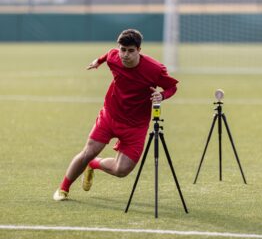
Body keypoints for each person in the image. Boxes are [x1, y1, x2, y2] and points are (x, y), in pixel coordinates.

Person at [53, 29, 178, 201]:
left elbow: (172, 87)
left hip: (136, 125)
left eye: (130, 51)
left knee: (122, 171)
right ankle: (63, 188)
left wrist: (162, 95)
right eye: (122, 49)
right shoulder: (114, 57)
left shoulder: (154, 69)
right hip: (110, 116)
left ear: (139, 50)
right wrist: (98, 61)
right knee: (88, 151)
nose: (125, 55)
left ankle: (94, 164)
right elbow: (108, 55)